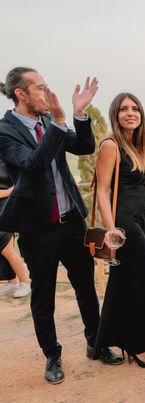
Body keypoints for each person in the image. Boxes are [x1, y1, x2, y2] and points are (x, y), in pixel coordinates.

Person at [0, 68, 121, 385]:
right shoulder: (5, 131)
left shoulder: (46, 123)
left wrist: (78, 114)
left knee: (85, 287)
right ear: (21, 94)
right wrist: (58, 119)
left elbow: (83, 147)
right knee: (44, 298)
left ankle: (96, 343)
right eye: (40, 88)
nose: (47, 92)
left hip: (71, 224)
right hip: (37, 230)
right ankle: (52, 355)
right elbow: (33, 164)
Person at [93, 93, 145, 368]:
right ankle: (138, 346)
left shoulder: (138, 146)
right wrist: (111, 229)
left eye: (135, 108)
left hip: (144, 218)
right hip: (124, 222)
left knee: (122, 282)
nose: (130, 113)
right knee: (142, 281)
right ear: (116, 114)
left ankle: (105, 341)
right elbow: (102, 191)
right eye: (124, 109)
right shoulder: (111, 145)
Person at [0, 159, 30, 298]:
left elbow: (19, 183)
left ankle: (25, 282)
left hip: (6, 207)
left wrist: (3, 194)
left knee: (7, 249)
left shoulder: (7, 157)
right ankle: (11, 281)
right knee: (1, 248)